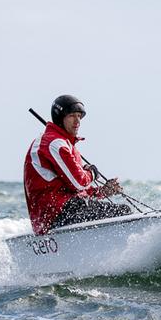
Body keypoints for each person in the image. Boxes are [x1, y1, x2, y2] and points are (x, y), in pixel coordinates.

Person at [23, 95, 132, 235]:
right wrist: (92, 173)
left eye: (79, 116)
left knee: (122, 210)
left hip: (62, 210)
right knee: (124, 212)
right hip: (56, 215)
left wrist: (102, 192)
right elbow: (79, 183)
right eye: (72, 116)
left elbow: (73, 189)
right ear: (60, 118)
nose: (77, 121)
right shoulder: (55, 144)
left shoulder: (65, 144)